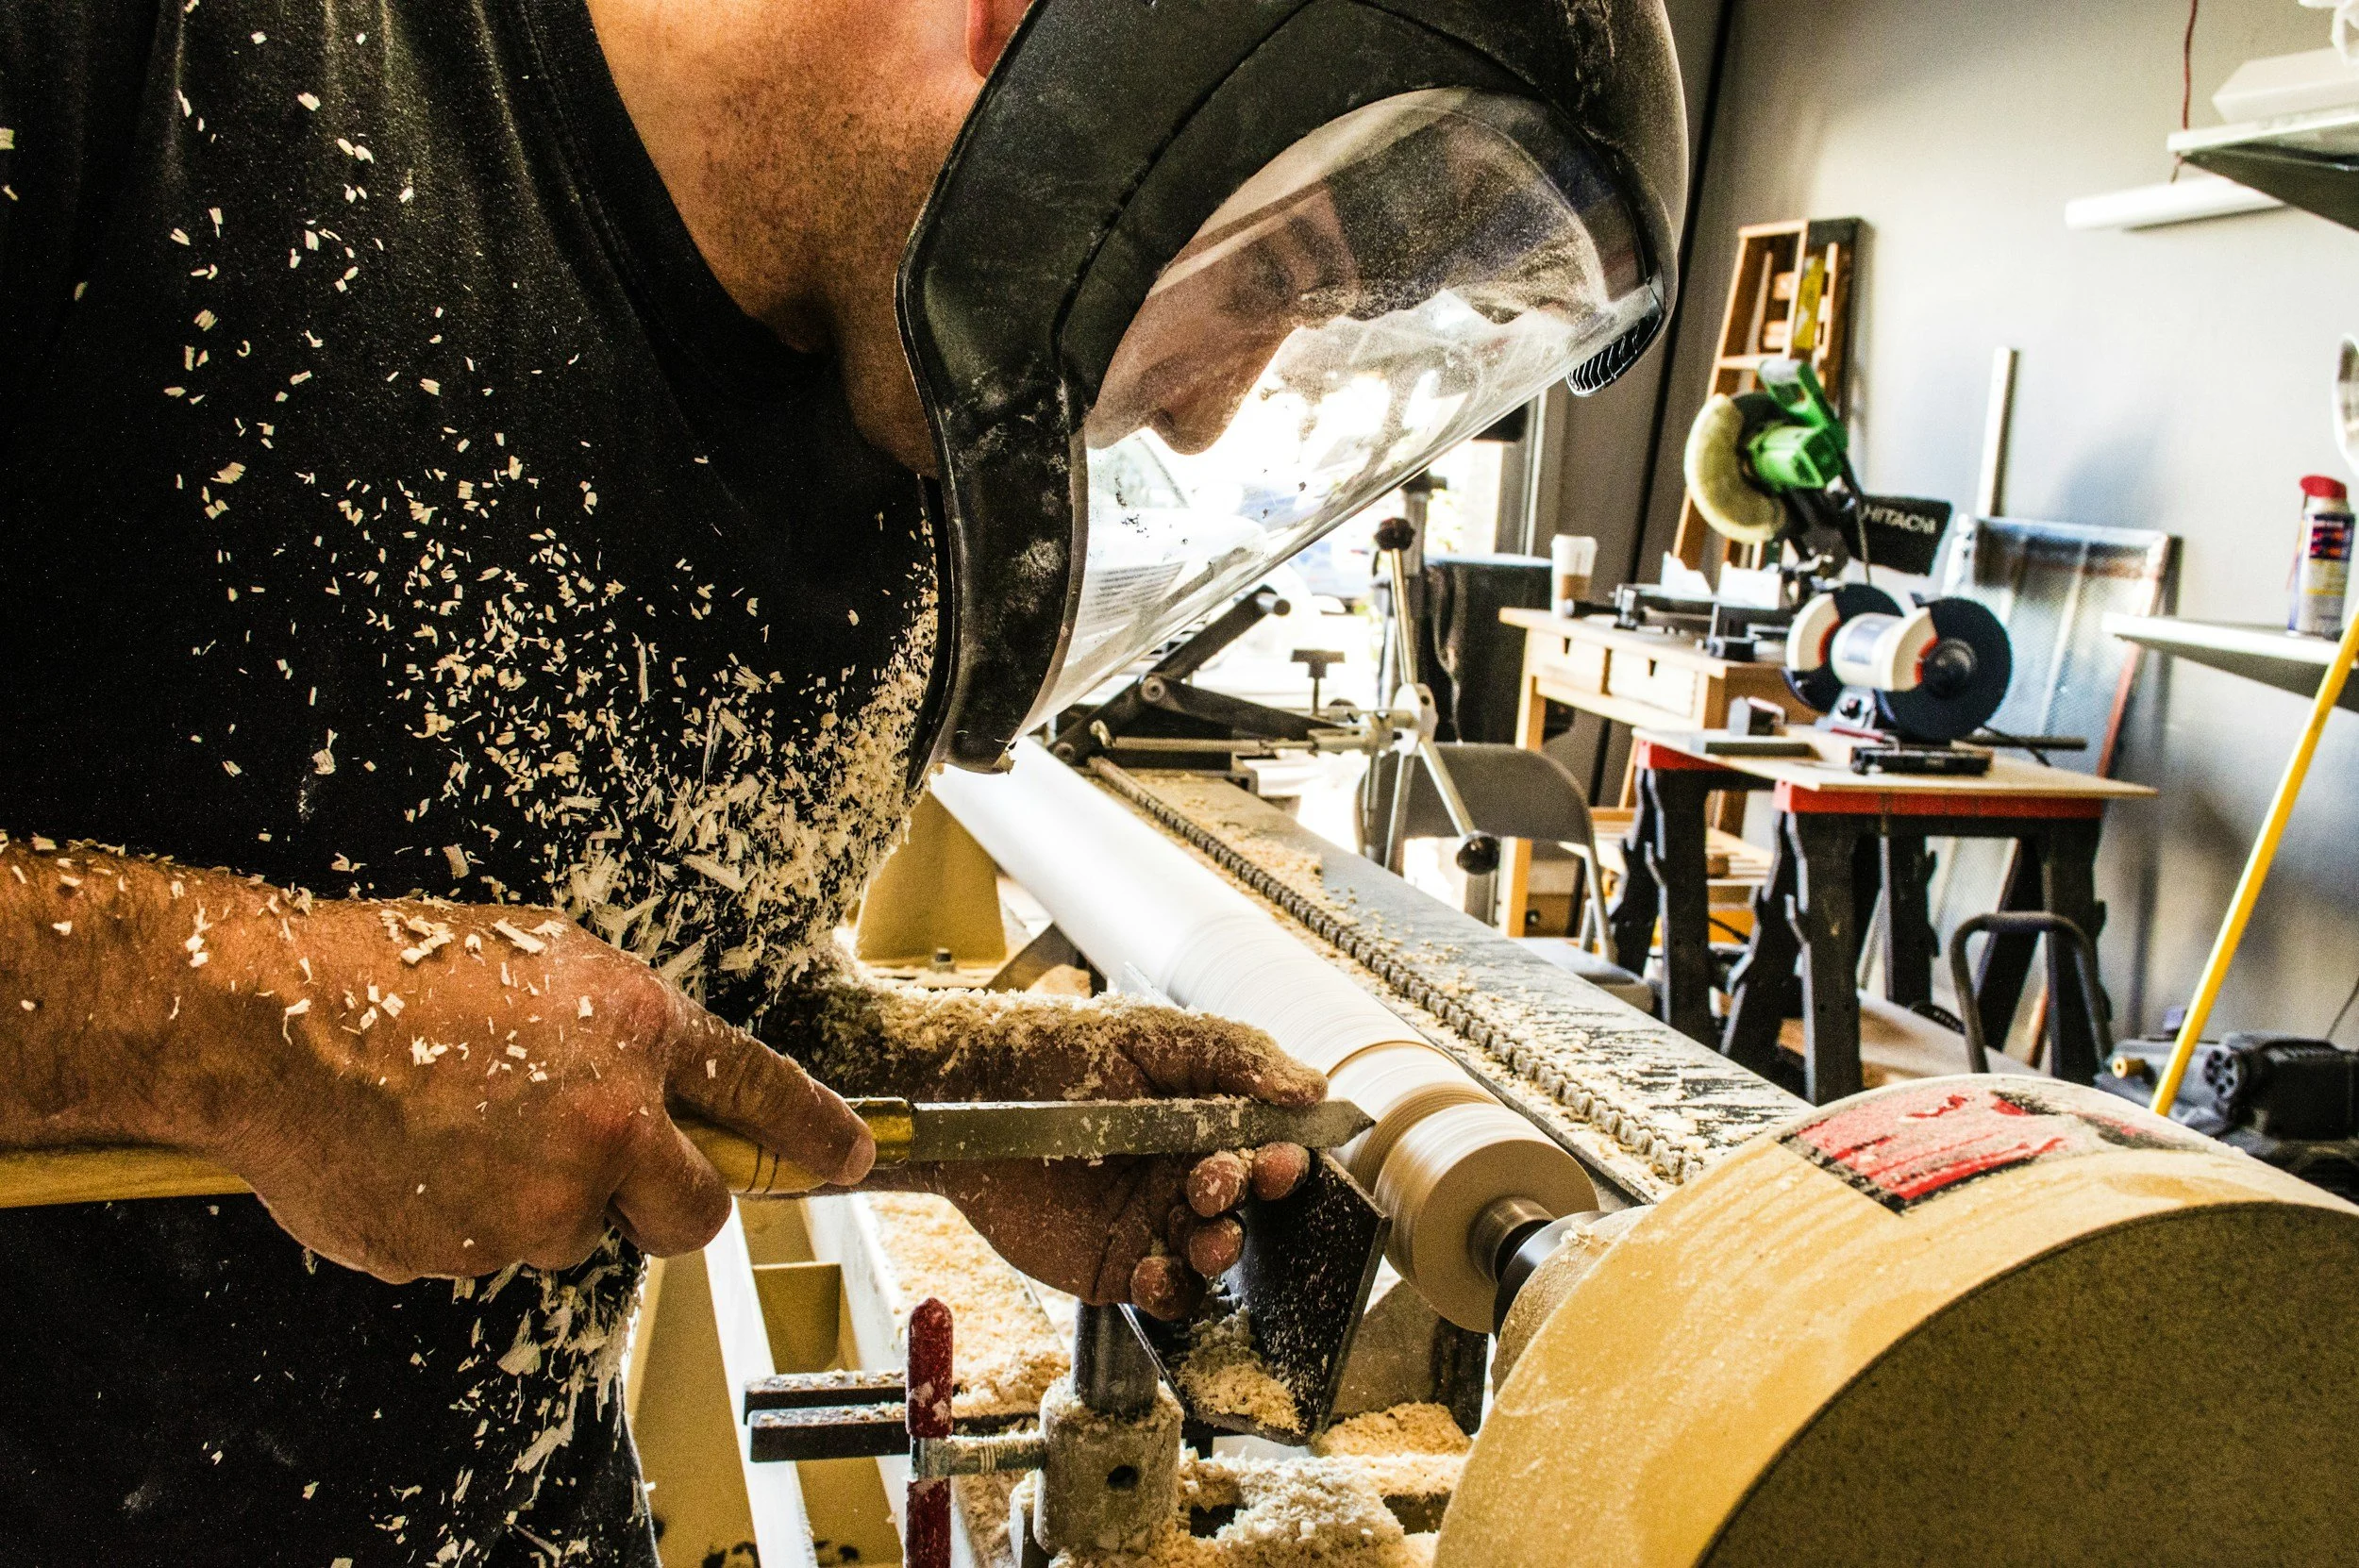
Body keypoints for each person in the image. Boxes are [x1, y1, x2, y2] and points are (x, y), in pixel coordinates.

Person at [0, 0, 1323, 1559]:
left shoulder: (909, 460)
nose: (1207, 402)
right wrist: (273, 1033)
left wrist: (940, 1096)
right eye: (1258, 271)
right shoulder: (148, 63)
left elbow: (650, 967)